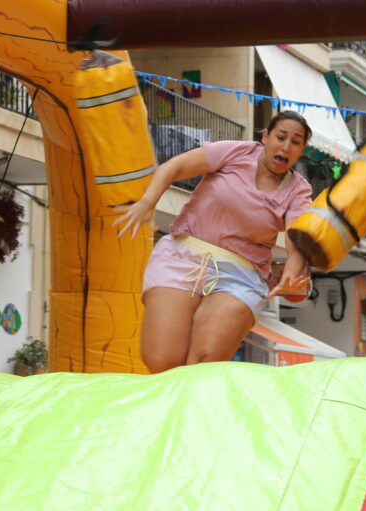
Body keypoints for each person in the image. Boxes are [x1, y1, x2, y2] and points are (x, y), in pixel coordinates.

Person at [114, 111, 314, 373]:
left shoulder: (299, 190)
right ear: (266, 136)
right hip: (183, 256)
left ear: (301, 150)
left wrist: (290, 274)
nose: (286, 146)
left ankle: (193, 409)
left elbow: (296, 237)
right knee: (161, 360)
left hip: (240, 275)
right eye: (281, 137)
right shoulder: (235, 152)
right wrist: (148, 201)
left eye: (296, 142)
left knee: (203, 363)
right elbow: (174, 166)